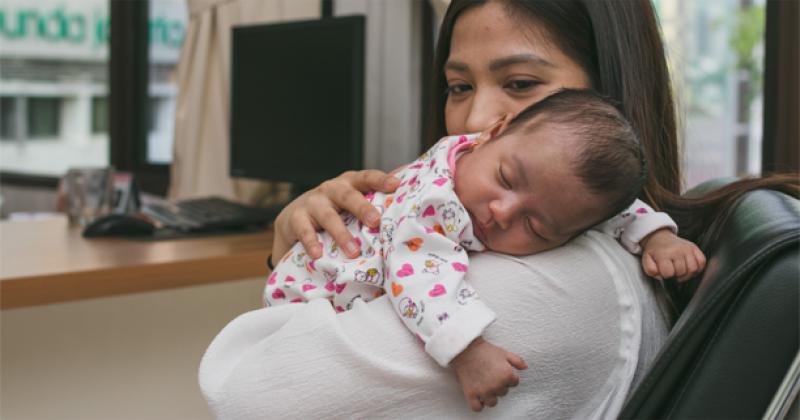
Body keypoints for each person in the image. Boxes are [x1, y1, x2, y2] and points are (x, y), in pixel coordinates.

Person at [200, 1, 797, 417]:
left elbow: (245, 395)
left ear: (606, 100)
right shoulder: (526, 219)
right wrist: (297, 241)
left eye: (520, 84)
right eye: (459, 87)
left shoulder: (547, 283)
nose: (479, 121)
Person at [262, 89, 704, 410]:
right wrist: (468, 351)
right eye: (506, 179)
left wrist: (656, 235)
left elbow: (601, 209)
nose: (501, 211)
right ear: (493, 133)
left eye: (536, 226)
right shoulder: (435, 204)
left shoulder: (514, 168)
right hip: (312, 293)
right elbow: (419, 276)